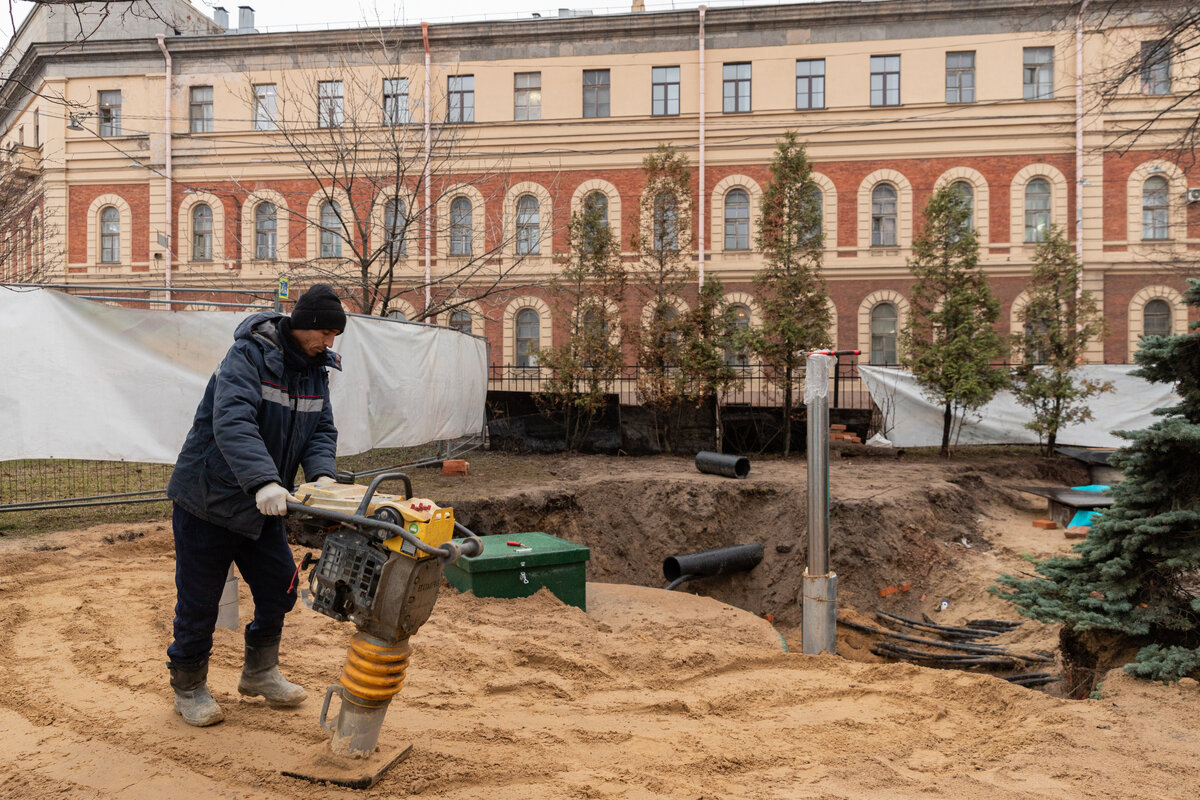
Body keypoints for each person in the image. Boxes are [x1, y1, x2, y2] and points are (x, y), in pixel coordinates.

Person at [165, 284, 347, 726]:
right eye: (324, 331)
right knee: (200, 602)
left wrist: (321, 474)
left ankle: (260, 671)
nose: (330, 341)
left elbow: (321, 428)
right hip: (209, 498)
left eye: (334, 334)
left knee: (280, 587)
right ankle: (189, 687)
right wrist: (265, 481)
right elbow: (233, 420)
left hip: (264, 506)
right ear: (301, 324)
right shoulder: (247, 357)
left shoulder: (314, 370)